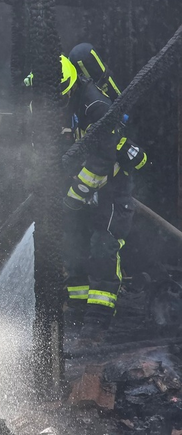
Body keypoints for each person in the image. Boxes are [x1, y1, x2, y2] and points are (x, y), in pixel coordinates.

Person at [59, 53, 147, 339]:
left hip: (113, 190)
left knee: (103, 246)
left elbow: (103, 161)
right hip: (84, 188)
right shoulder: (65, 101)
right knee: (73, 245)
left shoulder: (98, 105)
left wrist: (77, 193)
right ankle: (77, 307)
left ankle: (98, 317)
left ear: (72, 85)